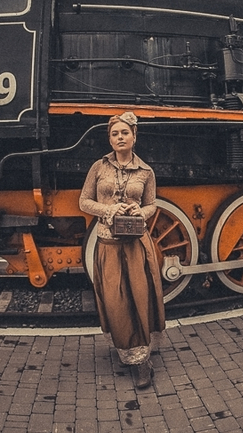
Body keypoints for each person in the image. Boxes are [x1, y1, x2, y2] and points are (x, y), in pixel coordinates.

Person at [79, 111, 166, 388]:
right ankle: (127, 349)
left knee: (140, 298)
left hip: (136, 245)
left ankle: (141, 361)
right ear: (110, 139)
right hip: (108, 244)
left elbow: (152, 205)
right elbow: (83, 201)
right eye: (115, 133)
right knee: (116, 302)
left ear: (134, 136)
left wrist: (141, 211)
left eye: (124, 133)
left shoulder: (146, 172)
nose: (120, 137)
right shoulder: (98, 167)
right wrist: (108, 210)